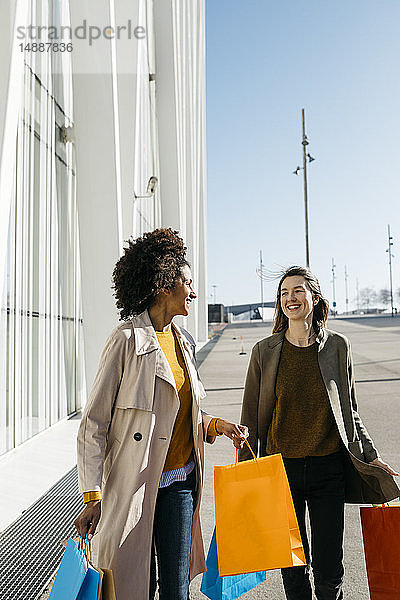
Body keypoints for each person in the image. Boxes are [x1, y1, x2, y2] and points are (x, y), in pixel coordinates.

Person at [74, 228, 247, 600]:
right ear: (166, 285)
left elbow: (181, 412)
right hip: (134, 488)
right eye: (187, 282)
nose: (194, 291)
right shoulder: (124, 341)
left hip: (180, 484)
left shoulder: (184, 341)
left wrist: (218, 425)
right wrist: (91, 495)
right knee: (134, 586)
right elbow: (93, 426)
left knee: (176, 589)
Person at [239, 265, 399, 600]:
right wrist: (246, 475)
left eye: (298, 291)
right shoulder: (263, 352)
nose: (290, 298)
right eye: (284, 293)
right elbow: (250, 421)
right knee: (293, 568)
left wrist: (374, 457)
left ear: (314, 297)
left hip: (328, 469)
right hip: (281, 471)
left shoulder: (338, 347)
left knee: (330, 569)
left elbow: (350, 411)